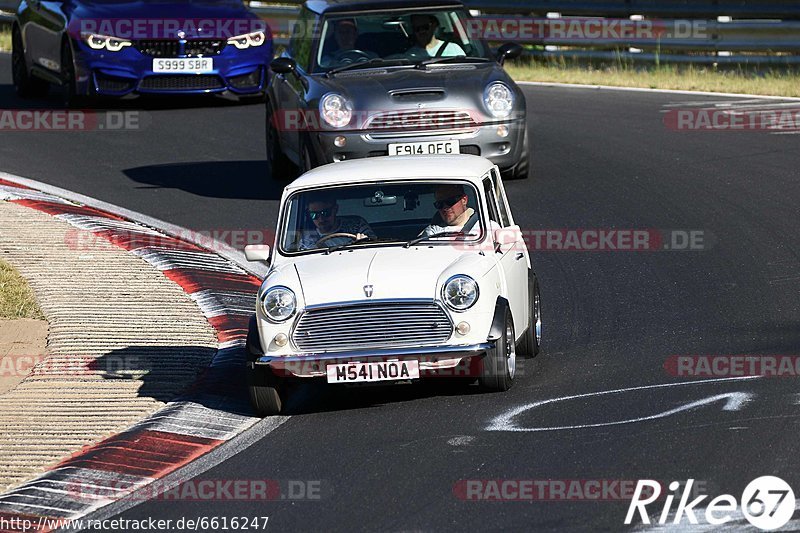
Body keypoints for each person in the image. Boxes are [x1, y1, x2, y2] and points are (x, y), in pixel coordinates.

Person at [299, 195, 376, 250]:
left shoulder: (357, 224)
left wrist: (363, 242)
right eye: (314, 215)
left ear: (335, 209)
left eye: (326, 213)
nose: (321, 219)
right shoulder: (306, 238)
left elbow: (374, 245)